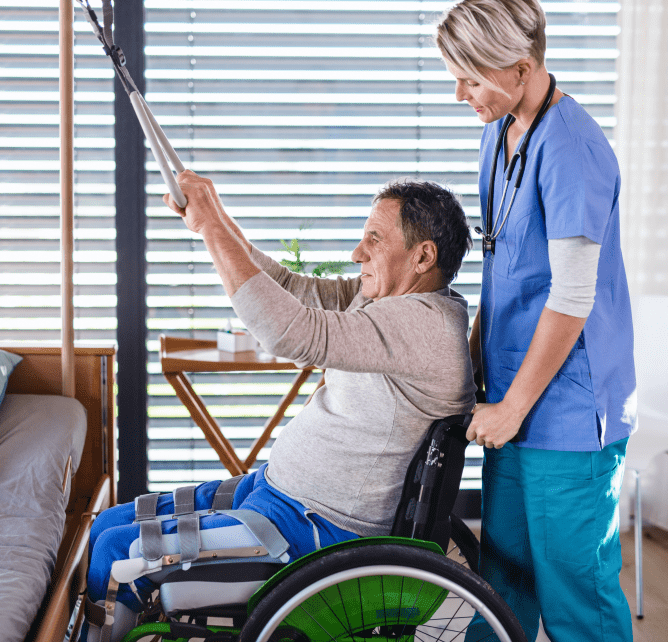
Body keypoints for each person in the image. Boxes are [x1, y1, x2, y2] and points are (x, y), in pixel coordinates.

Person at [84, 172, 476, 634]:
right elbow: (292, 290)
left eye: (374, 238)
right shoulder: (388, 301)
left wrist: (212, 226)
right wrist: (215, 218)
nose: (357, 253)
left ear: (423, 256)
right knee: (107, 523)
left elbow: (292, 333)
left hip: (312, 530)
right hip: (276, 493)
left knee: (116, 554)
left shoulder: (421, 326)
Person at [434, 0, 637, 642]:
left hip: (565, 413)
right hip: (512, 399)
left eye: (471, 79)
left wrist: (514, 406)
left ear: (522, 68)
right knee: (502, 588)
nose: (460, 93)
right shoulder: (501, 131)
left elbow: (571, 296)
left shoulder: (573, 148)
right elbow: (506, 268)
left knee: (578, 596)